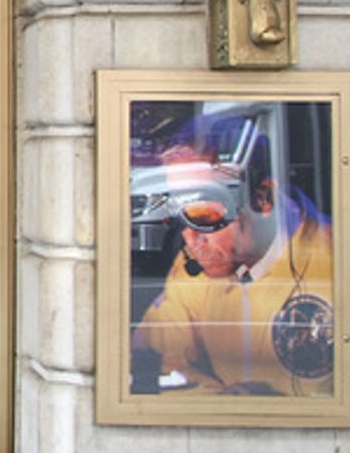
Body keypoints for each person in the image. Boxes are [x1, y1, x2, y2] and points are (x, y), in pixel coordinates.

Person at [131, 111, 334, 397]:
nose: (189, 238)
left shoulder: (339, 266)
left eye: (201, 213)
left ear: (263, 198)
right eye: (178, 212)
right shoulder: (200, 265)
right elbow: (151, 358)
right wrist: (219, 401)